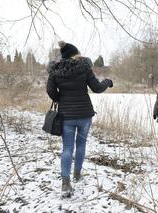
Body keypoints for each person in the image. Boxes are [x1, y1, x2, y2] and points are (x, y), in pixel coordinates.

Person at [46, 41, 113, 198]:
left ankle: (65, 183)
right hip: (84, 115)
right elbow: (96, 88)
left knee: (67, 148)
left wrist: (59, 98)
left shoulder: (55, 70)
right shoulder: (84, 67)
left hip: (66, 116)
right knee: (81, 144)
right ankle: (77, 174)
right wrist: (107, 82)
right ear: (75, 54)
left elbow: (50, 90)